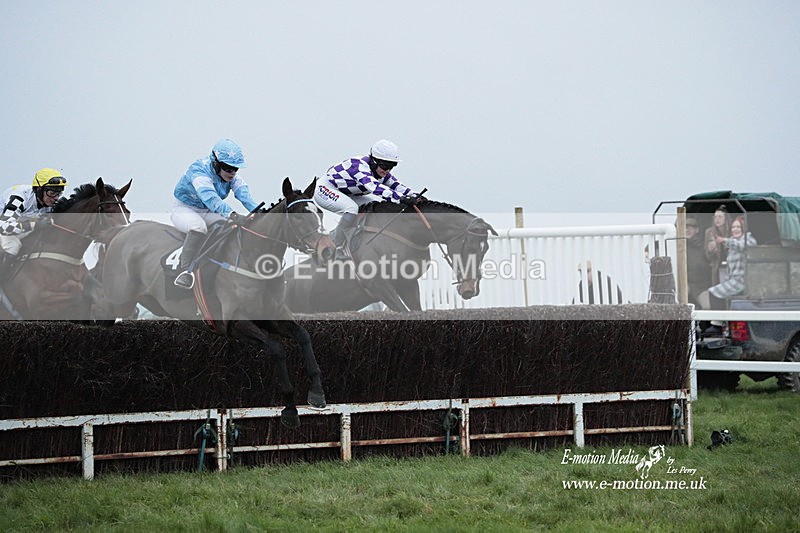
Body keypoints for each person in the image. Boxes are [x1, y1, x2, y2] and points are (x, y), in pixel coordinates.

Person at [171, 138, 260, 289]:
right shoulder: (199, 170)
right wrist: (232, 213)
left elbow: (244, 195)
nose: (232, 172)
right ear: (216, 163)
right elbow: (210, 198)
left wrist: (260, 212)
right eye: (227, 167)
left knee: (231, 225)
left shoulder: (232, 176)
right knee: (198, 227)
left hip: (207, 211)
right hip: (185, 209)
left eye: (235, 168)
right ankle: (185, 271)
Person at [313, 139, 420, 255]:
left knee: (375, 207)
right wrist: (401, 199)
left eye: (392, 166)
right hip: (325, 188)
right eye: (385, 166)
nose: (387, 170)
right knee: (351, 209)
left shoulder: (381, 172)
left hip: (347, 193)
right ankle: (335, 247)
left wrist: (415, 196)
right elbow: (374, 187)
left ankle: (348, 241)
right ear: (374, 161)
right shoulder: (359, 166)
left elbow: (397, 186)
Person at [0, 168, 68, 278]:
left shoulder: (49, 203)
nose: (55, 198)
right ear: (39, 190)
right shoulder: (19, 198)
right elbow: (4, 227)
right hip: (4, 226)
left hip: (20, 226)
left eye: (58, 194)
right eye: (51, 193)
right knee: (13, 246)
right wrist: (34, 225)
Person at [698, 216, 756, 316]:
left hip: (743, 280)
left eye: (738, 227)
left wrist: (725, 240)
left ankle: (719, 322)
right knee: (715, 292)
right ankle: (723, 320)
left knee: (713, 292)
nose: (735, 229)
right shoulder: (732, 243)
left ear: (743, 228)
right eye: (733, 227)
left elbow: (742, 245)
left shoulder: (748, 239)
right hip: (733, 280)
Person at [685, 217, 712, 307]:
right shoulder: (679, 244)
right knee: (677, 303)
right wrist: (647, 250)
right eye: (684, 228)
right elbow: (659, 243)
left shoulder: (704, 244)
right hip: (685, 284)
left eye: (690, 228)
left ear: (697, 230)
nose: (687, 230)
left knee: (708, 307)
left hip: (702, 286)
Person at [704, 205, 731, 286]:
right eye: (715, 217)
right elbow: (707, 255)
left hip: (732, 266)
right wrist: (710, 250)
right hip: (717, 267)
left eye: (720, 217)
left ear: (726, 218)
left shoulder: (732, 230)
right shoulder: (709, 232)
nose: (717, 219)